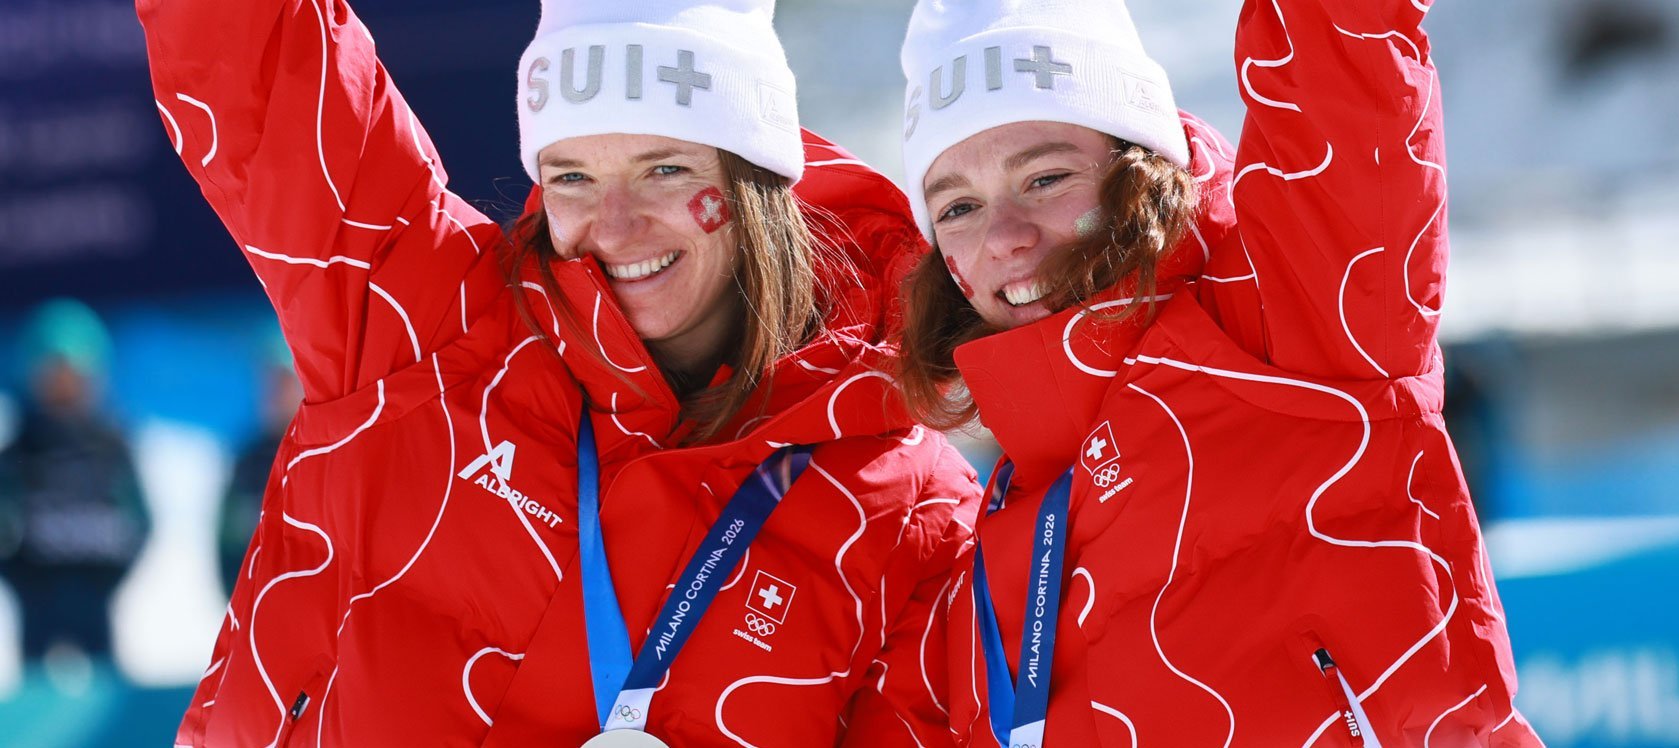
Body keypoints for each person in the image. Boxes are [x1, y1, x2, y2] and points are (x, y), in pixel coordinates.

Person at [138, 0, 981, 744]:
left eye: (664, 169)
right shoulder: (426, 311)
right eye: (572, 176)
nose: (614, 227)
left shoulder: (907, 511)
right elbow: (252, 57)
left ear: (754, 180)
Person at [893, 0, 1543, 745]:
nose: (1003, 237)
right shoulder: (988, 549)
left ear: (1140, 169)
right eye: (958, 208)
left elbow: (1343, 58)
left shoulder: (1289, 313)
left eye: (1045, 178)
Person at [0, 298, 150, 663]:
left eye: (73, 374)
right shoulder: (19, 452)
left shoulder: (113, 449)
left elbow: (141, 522)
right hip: (37, 609)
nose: (63, 385)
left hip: (96, 605)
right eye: (53, 373)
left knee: (102, 679)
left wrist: (107, 580)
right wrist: (24, 582)